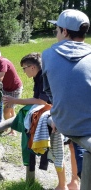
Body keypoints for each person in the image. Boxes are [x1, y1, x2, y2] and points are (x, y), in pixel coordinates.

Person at [3, 53, 68, 190]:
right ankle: (63, 184)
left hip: (59, 114)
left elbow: (41, 101)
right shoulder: (38, 77)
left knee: (58, 150)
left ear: (32, 67)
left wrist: (15, 100)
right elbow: (37, 99)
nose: (24, 71)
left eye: (24, 68)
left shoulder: (45, 78)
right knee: (58, 151)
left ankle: (63, 185)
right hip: (56, 111)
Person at [43, 9, 91, 186]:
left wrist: (58, 113)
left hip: (64, 122)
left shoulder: (48, 55)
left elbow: (50, 91)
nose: (56, 34)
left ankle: (76, 178)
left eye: (57, 30)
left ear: (64, 31)